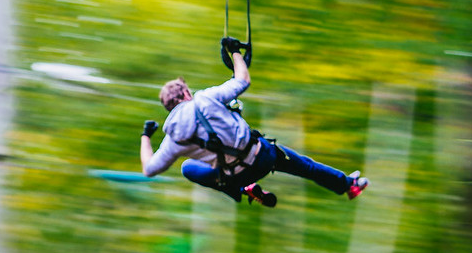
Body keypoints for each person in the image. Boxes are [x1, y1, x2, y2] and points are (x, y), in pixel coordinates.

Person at [139, 37, 368, 205]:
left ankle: (241, 189)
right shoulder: (206, 98)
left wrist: (146, 137)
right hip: (262, 156)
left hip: (234, 176)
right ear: (186, 93)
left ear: (168, 107)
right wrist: (236, 53)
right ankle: (349, 185)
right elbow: (242, 80)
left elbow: (149, 169)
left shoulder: (173, 140)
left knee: (188, 167)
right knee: (306, 167)